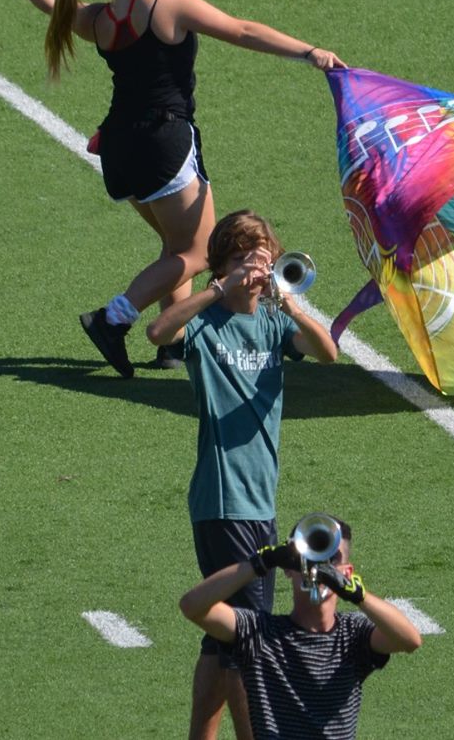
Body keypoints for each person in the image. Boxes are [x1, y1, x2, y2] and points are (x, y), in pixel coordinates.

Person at [0, 0, 343, 377]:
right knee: (204, 252)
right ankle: (113, 318)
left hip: (119, 147)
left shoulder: (100, 20)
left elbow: (56, 6)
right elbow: (241, 30)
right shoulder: (164, 4)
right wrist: (308, 52)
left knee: (177, 246)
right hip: (162, 144)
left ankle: (174, 343)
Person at [147, 210, 340, 740]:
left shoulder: (275, 325)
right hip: (224, 498)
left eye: (261, 260)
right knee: (246, 639)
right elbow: (158, 331)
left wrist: (290, 303)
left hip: (257, 500)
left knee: (224, 639)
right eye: (240, 260)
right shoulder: (207, 324)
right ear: (222, 266)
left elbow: (328, 353)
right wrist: (218, 289)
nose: (253, 270)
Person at [179, 514, 421, 740]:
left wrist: (359, 595)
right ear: (289, 569)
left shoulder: (353, 634)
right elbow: (192, 606)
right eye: (310, 557)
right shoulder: (260, 632)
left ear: (347, 572)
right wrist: (261, 563)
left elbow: (410, 640)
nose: (320, 566)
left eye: (332, 559)